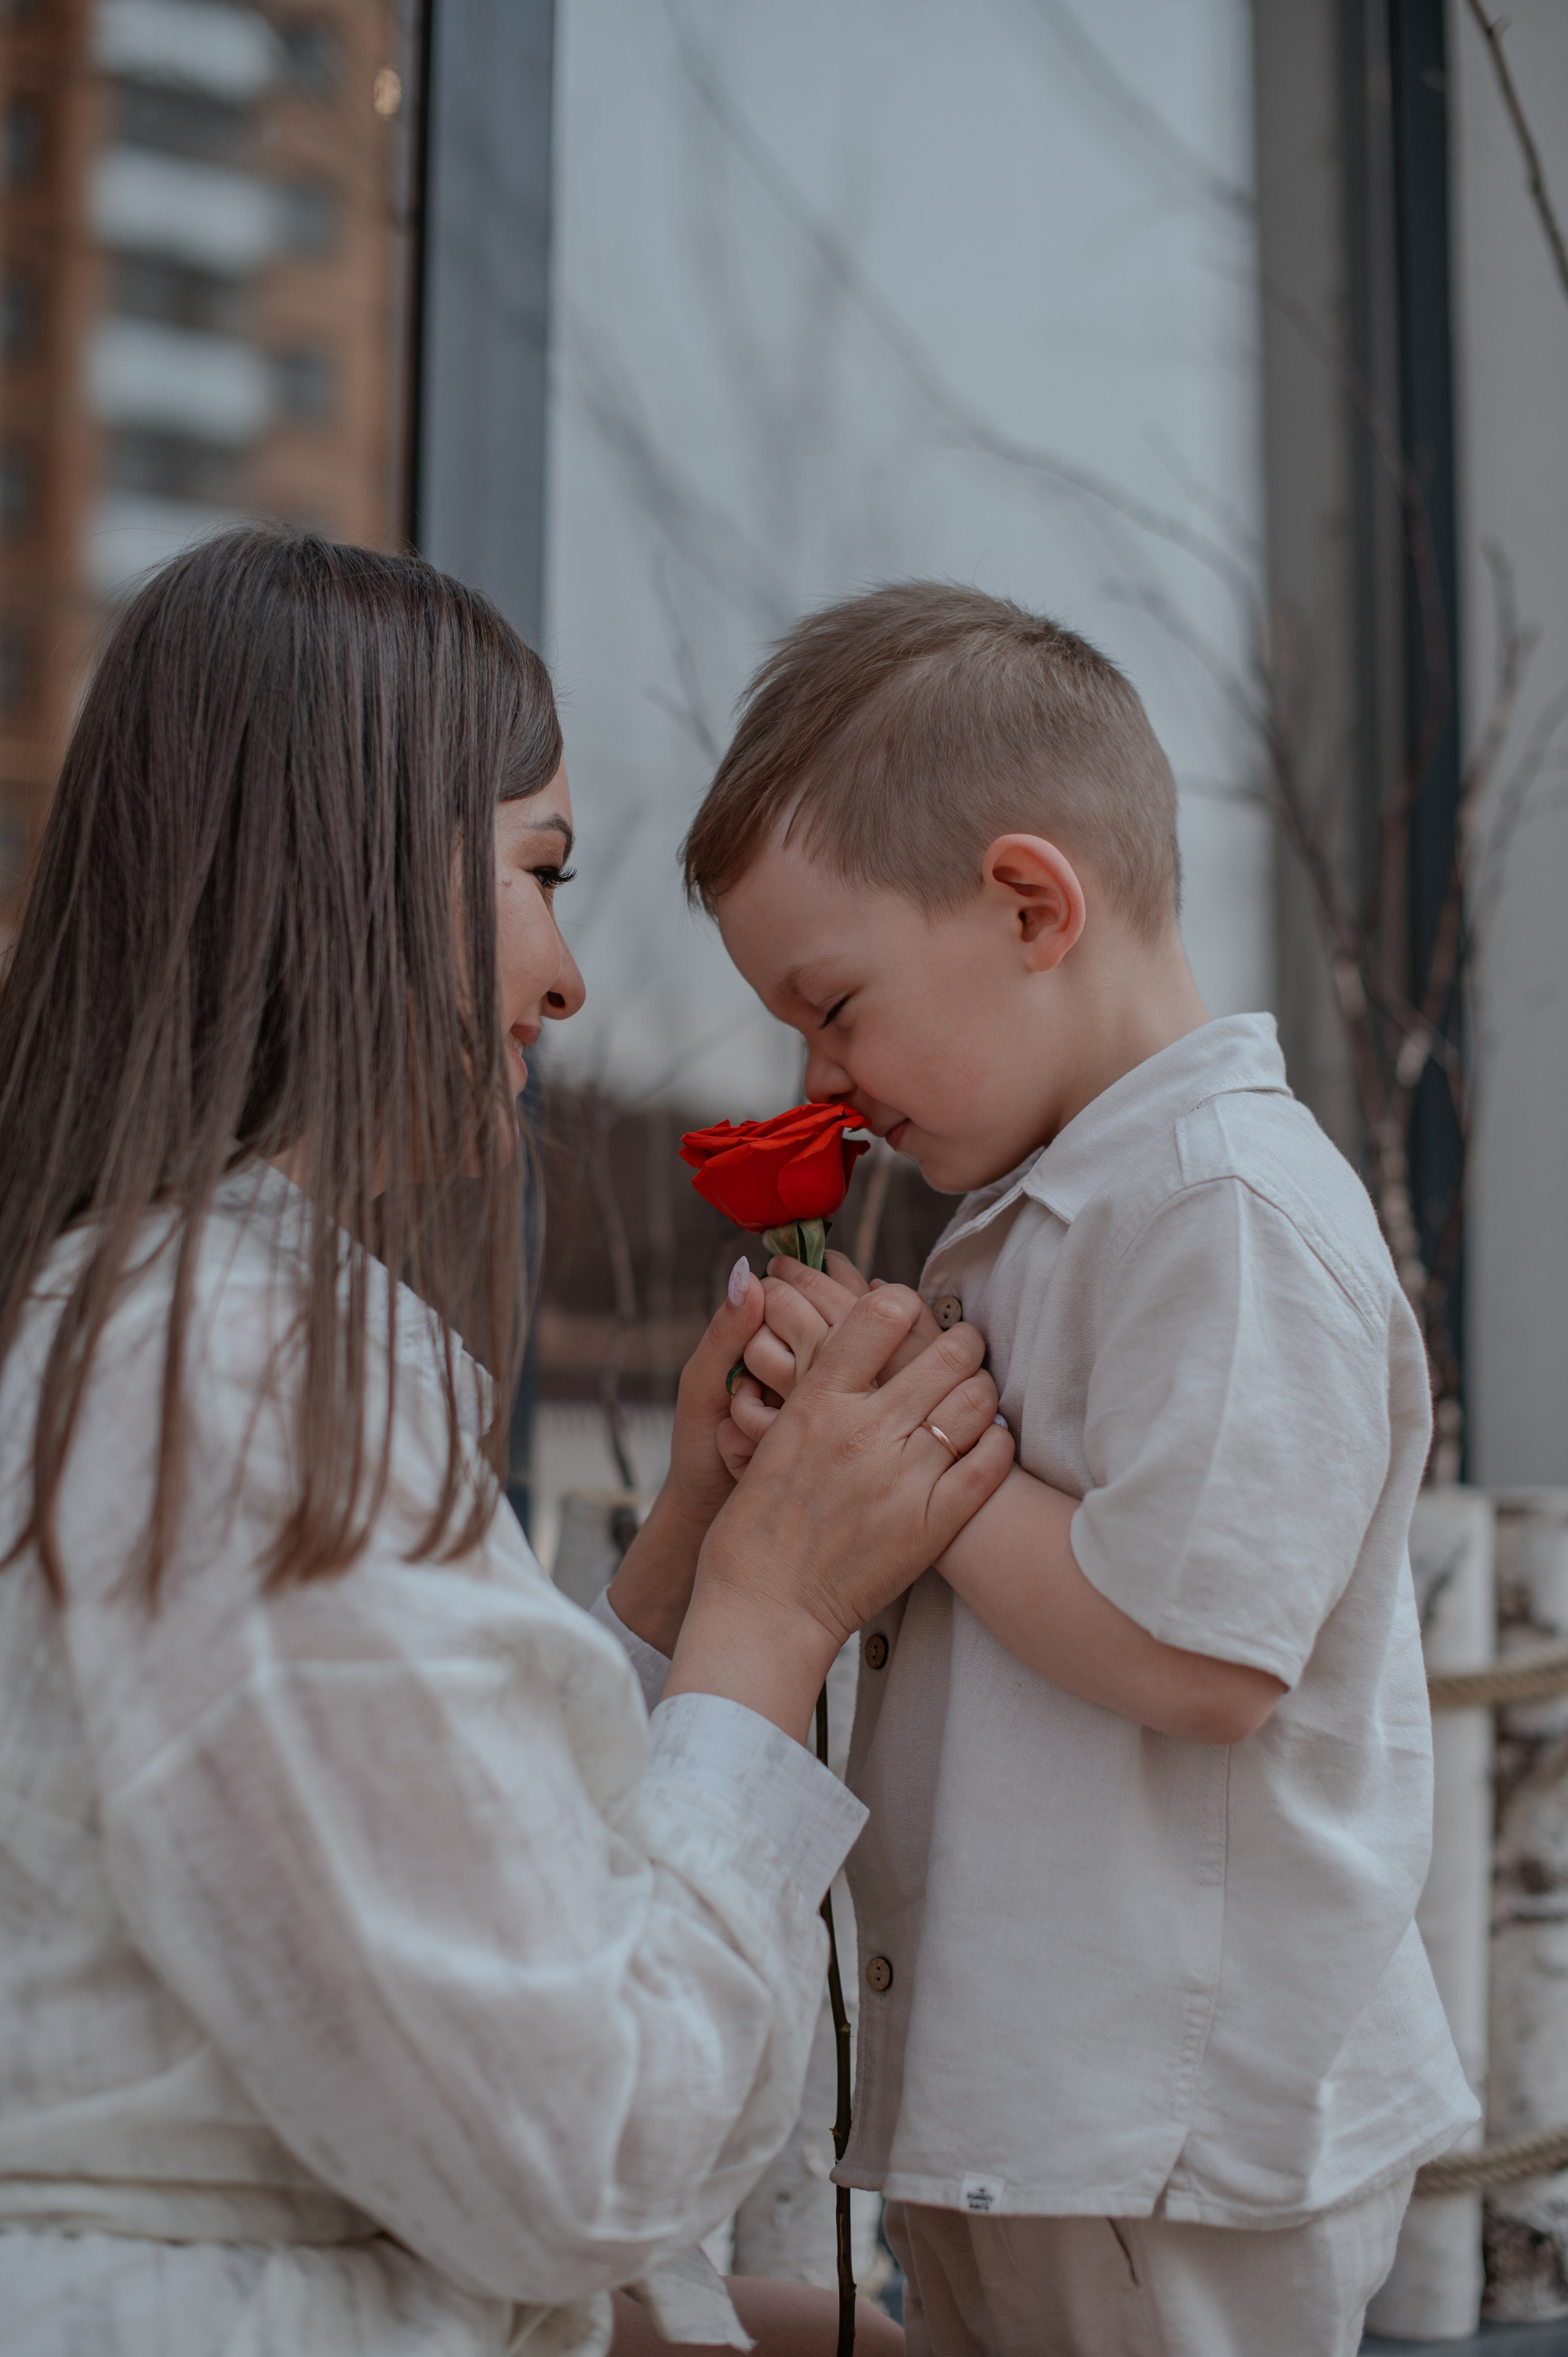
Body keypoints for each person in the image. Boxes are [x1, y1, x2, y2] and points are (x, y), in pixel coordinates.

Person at [0, 530, 1016, 2357]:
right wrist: (772, 1620)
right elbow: (570, 2139)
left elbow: (447, 1889)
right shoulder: (211, 1381)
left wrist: (691, 1559)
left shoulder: (185, 1346)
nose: (563, 982)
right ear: (347, 866)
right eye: (540, 872)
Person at [669, 583, 1479, 2357]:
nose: (824, 1079)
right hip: (1045, 2101)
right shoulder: (1055, 1211)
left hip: (1173, 2126)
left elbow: (1204, 1660)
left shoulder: (1228, 1209)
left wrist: (918, 1471)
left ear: (1033, 904)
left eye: (835, 1007)